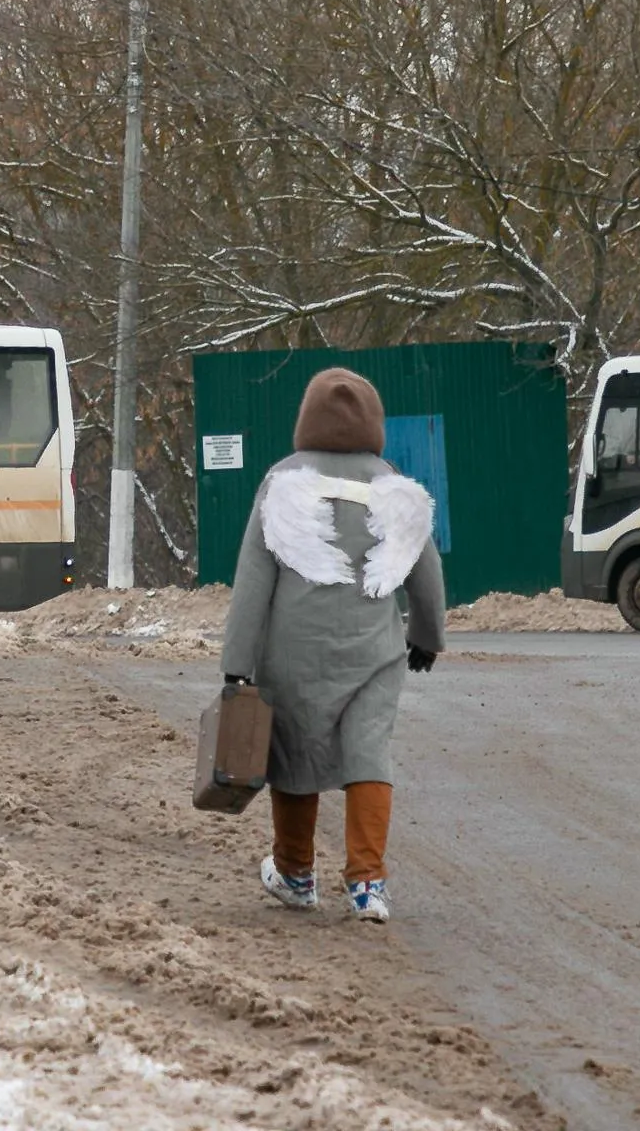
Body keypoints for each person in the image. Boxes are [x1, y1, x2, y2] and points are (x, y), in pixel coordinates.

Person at [220, 369, 447, 923]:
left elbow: (253, 580)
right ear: (374, 424)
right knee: (368, 752)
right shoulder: (392, 485)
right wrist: (426, 637)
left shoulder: (281, 481)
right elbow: (426, 571)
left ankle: (295, 874)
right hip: (373, 654)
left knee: (294, 756)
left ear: (306, 420)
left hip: (292, 653)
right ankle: (368, 883)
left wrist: (236, 667)